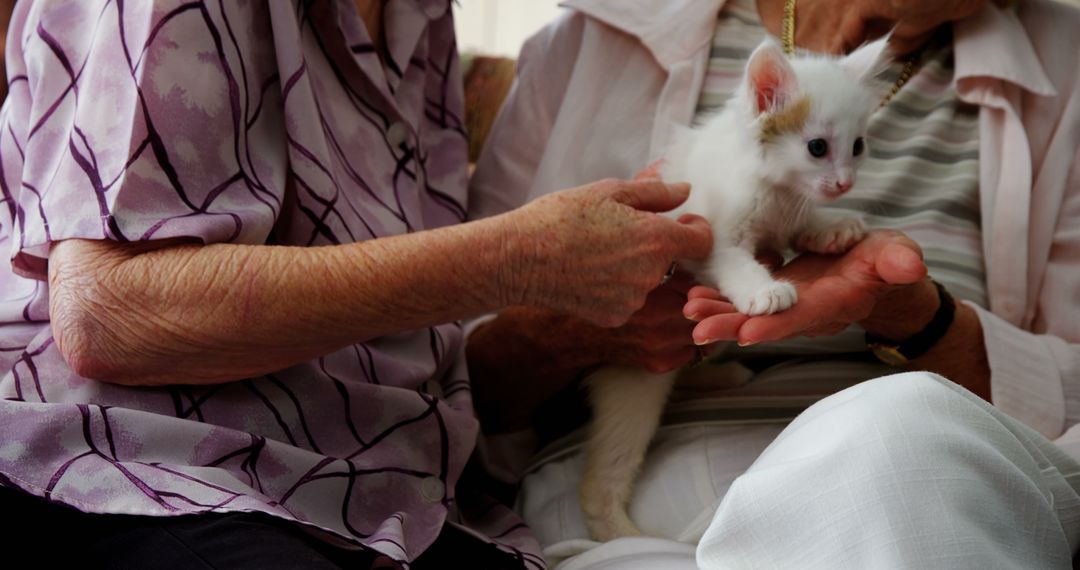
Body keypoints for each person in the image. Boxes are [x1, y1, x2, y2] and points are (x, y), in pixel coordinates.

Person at [0, 1, 715, 568]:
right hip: (139, 465)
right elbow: (105, 315)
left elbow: (402, 347)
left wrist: (565, 330)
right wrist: (516, 256)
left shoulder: (419, 17)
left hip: (377, 487)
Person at [467, 0, 1080, 566]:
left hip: (902, 470)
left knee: (899, 444)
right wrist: (586, 320)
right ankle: (605, 507)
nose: (844, 178)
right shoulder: (600, 29)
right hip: (667, 470)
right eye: (821, 151)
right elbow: (456, 359)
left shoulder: (1065, 56)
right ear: (762, 101)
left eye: (858, 150)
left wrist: (916, 316)